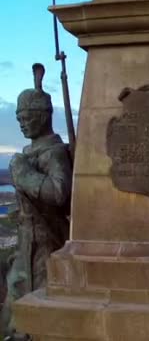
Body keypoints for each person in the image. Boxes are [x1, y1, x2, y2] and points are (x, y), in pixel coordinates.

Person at [1, 64, 72, 340]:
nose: (21, 121)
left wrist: (23, 173)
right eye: (18, 116)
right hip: (25, 245)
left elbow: (58, 192)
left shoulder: (53, 153)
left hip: (45, 245)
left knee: (35, 316)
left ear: (43, 116)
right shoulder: (30, 151)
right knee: (13, 316)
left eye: (26, 115)